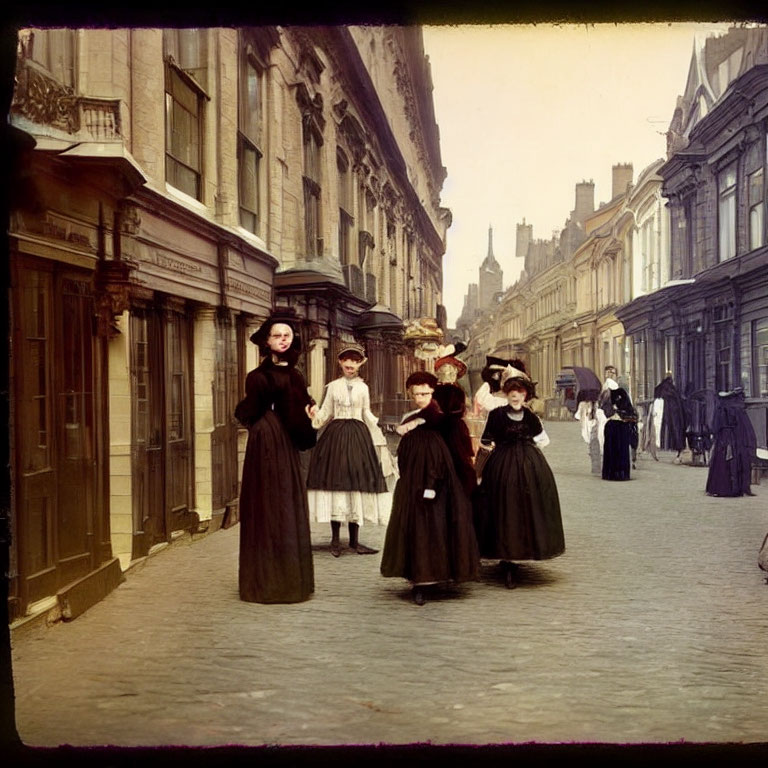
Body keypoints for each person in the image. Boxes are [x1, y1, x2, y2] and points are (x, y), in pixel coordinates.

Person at [234, 317, 317, 604]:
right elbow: (248, 411)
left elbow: (300, 402)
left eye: (288, 335)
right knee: (270, 504)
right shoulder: (258, 377)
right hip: (269, 443)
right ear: (266, 341)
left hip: (284, 441)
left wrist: (310, 408)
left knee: (286, 504)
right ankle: (268, 583)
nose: (283, 339)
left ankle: (289, 581)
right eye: (277, 335)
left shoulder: (295, 375)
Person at [380, 371, 480, 606]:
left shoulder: (437, 418)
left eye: (425, 393)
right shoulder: (412, 416)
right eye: (417, 394)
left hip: (435, 481)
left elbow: (439, 456)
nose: (421, 397)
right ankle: (418, 575)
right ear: (410, 394)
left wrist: (433, 484)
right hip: (411, 481)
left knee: (432, 525)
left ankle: (431, 575)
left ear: (433, 393)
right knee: (416, 525)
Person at [473, 365, 565, 588]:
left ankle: (523, 549)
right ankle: (505, 556)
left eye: (520, 392)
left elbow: (543, 440)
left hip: (529, 468)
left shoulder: (531, 417)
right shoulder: (496, 415)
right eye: (512, 393)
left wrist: (529, 456)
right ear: (506, 394)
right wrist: (480, 469)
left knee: (526, 509)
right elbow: (486, 441)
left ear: (525, 395)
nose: (515, 396)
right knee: (504, 510)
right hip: (501, 468)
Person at [306, 342, 394, 556]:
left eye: (355, 361)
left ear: (360, 364)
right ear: (340, 362)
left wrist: (381, 426)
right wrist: (314, 418)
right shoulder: (333, 386)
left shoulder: (363, 388)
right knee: (336, 483)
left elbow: (366, 413)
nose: (350, 364)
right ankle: (335, 541)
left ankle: (355, 542)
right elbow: (326, 412)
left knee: (357, 482)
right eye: (347, 360)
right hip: (335, 437)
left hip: (358, 437)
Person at [433, 348, 476, 499]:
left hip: (455, 430)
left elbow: (463, 409)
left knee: (460, 462)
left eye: (452, 371)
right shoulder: (435, 391)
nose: (449, 374)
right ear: (439, 372)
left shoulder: (459, 391)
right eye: (445, 370)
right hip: (440, 429)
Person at [705, 387, 757, 497]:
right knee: (735, 461)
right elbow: (745, 428)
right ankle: (735, 488)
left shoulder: (722, 408)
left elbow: (715, 426)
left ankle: (722, 487)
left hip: (724, 438)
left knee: (723, 462)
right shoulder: (737, 408)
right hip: (735, 438)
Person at [600, 376, 638, 481]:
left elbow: (606, 412)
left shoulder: (607, 396)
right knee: (621, 451)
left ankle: (611, 474)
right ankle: (622, 474)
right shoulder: (623, 395)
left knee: (612, 450)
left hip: (613, 426)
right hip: (622, 426)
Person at [650, 371, 687, 462]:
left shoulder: (662, 388)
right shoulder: (670, 389)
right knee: (674, 431)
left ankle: (659, 452)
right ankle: (677, 450)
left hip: (665, 414)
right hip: (671, 414)